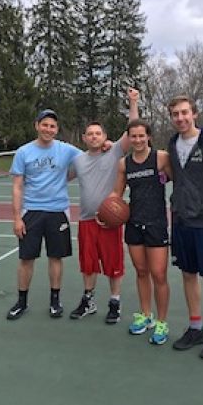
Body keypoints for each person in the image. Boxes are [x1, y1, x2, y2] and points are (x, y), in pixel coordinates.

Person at [165, 95, 203, 360]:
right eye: (175, 114)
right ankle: (196, 327)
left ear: (195, 113)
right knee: (187, 274)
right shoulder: (171, 143)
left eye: (184, 113)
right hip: (180, 219)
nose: (180, 118)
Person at [68, 88, 137, 323]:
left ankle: (115, 302)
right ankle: (88, 300)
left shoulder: (115, 152)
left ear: (105, 136)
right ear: (84, 138)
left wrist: (133, 102)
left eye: (98, 133)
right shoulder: (77, 160)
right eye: (90, 134)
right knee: (88, 265)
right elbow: (61, 179)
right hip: (86, 221)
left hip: (110, 222)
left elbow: (132, 130)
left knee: (113, 265)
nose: (94, 136)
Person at [6, 109, 82, 320]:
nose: (48, 129)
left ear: (57, 129)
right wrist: (17, 217)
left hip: (58, 211)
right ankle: (22, 302)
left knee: (55, 257)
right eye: (45, 125)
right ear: (37, 125)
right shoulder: (23, 152)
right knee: (26, 259)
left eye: (52, 126)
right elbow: (17, 187)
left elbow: (89, 157)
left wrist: (106, 145)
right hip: (31, 211)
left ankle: (55, 301)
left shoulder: (66, 150)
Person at [113, 119, 172, 345]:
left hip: (156, 224)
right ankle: (145, 315)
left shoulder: (160, 158)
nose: (137, 140)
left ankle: (162, 321)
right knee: (140, 271)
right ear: (128, 138)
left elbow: (178, 179)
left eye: (141, 136)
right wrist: (105, 210)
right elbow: (116, 194)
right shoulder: (123, 164)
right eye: (133, 136)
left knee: (159, 274)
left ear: (148, 136)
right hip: (134, 224)